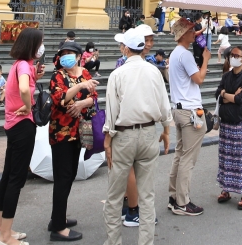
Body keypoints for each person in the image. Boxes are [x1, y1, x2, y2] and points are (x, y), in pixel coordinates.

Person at [102, 28, 172, 245]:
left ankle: (113, 241)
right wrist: (166, 130)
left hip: (123, 135)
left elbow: (111, 111)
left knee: (114, 196)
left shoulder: (118, 74)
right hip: (149, 133)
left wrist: (108, 139)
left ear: (125, 48)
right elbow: (164, 105)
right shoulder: (154, 72)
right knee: (147, 196)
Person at [0, 28, 43, 245]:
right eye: (40, 43)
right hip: (22, 125)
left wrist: (34, 77)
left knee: (8, 176)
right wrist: (28, 105)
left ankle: (2, 229)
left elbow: (20, 86)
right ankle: (5, 238)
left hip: (12, 124)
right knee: (16, 179)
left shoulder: (20, 65)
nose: (41, 47)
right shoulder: (23, 66)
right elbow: (23, 89)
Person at [48, 41, 97, 242]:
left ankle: (57, 218)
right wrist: (79, 87)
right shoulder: (58, 76)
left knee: (70, 174)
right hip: (61, 133)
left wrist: (82, 103)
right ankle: (58, 228)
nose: (66, 56)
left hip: (80, 131)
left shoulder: (85, 73)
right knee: (63, 176)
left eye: (70, 53)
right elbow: (59, 99)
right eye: (63, 53)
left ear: (78, 56)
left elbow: (94, 97)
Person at [167, 18, 210, 216]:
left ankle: (174, 196)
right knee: (188, 159)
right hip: (190, 110)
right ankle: (182, 202)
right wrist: (206, 60)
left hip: (178, 108)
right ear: (183, 34)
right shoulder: (185, 54)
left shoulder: (175, 53)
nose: (195, 33)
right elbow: (199, 79)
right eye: (192, 31)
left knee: (180, 154)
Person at [214, 44, 242, 209]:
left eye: (237, 56)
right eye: (232, 55)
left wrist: (226, 96)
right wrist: (228, 95)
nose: (233, 57)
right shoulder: (226, 76)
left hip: (239, 122)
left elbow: (241, 99)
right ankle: (226, 189)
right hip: (226, 122)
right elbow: (218, 94)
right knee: (226, 157)